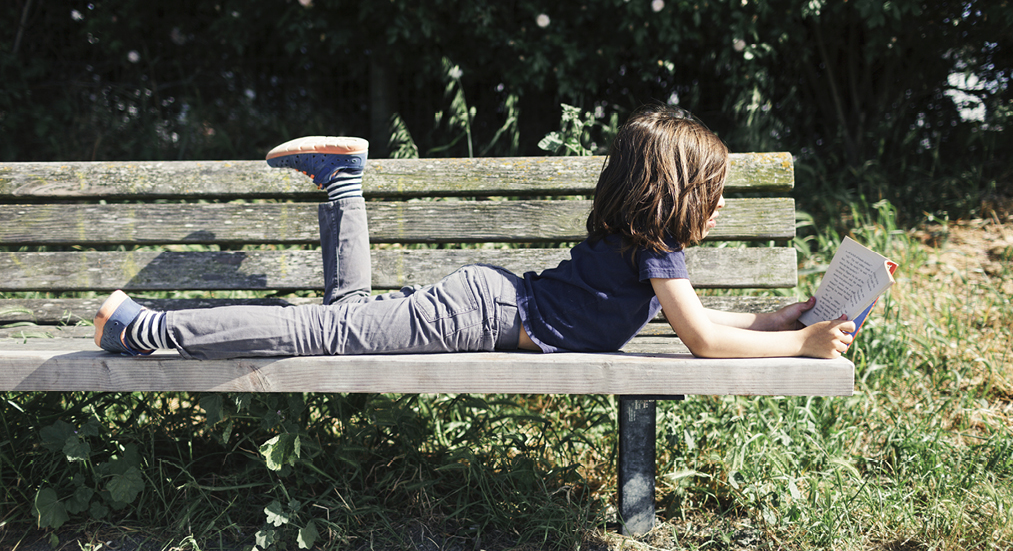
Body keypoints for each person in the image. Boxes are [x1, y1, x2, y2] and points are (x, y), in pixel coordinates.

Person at [94, 105, 854, 360]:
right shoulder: (656, 246)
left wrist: (777, 317)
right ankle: (144, 327)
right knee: (321, 334)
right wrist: (802, 343)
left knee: (340, 320)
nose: (718, 210)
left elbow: (706, 322)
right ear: (672, 196)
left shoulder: (646, 249)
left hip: (488, 306)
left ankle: (343, 182)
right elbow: (702, 341)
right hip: (482, 312)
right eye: (712, 195)